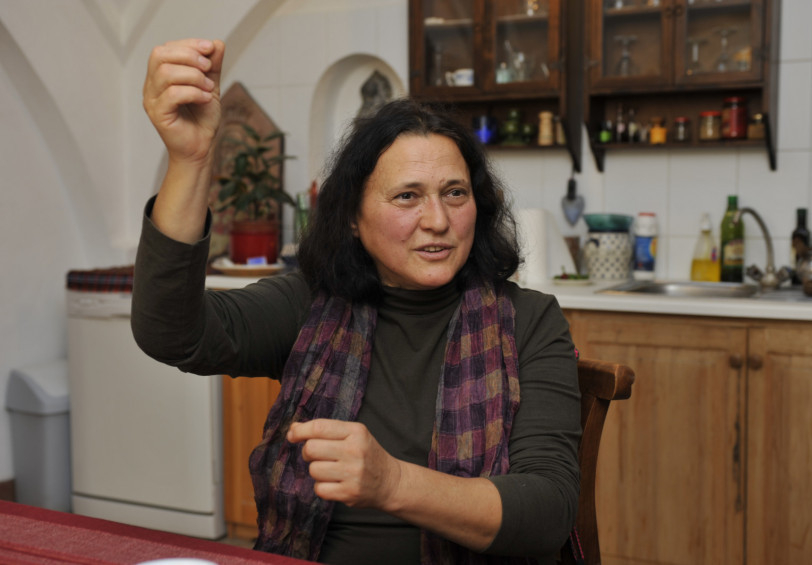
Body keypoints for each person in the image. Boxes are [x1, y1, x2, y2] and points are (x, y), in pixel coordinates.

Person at [134, 38, 581, 565]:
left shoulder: (529, 321)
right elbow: (172, 334)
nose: (438, 220)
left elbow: (548, 514)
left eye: (455, 193)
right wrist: (190, 160)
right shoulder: (311, 306)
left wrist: (392, 483)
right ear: (351, 216)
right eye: (407, 196)